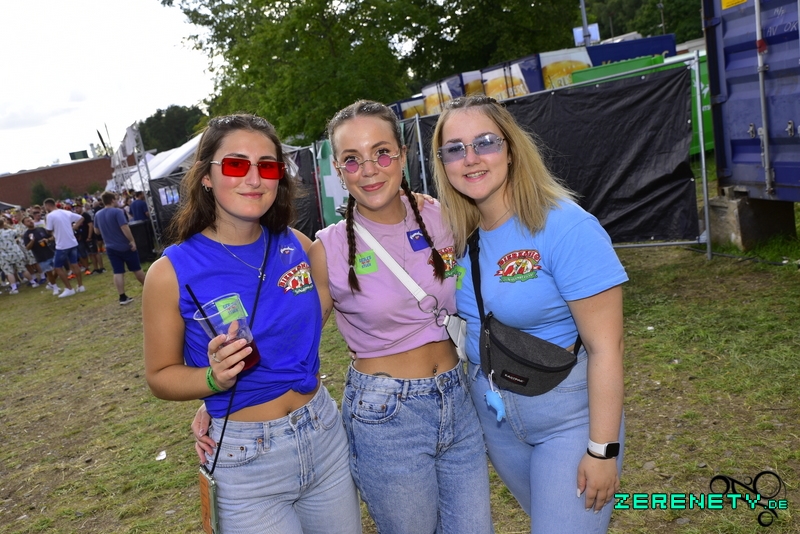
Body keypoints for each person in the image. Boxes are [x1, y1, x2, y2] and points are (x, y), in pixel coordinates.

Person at [143, 114, 361, 534]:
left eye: (267, 165)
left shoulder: (296, 244)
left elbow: (317, 308)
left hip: (324, 435)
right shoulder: (170, 273)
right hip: (246, 462)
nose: (254, 178)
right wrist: (213, 380)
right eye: (236, 164)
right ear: (206, 176)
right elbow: (159, 376)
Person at [430, 95, 627, 533]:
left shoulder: (565, 226)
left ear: (511, 149)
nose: (471, 158)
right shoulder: (455, 236)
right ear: (442, 163)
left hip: (567, 421)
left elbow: (606, 347)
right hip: (496, 423)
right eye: (455, 149)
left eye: (485, 142)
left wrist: (602, 450)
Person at [93, 192, 145, 305]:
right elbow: (124, 227)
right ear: (112, 200)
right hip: (124, 245)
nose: (117, 201)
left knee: (118, 272)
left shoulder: (98, 214)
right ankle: (148, 288)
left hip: (110, 247)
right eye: (116, 199)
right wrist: (132, 240)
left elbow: (96, 231)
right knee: (136, 269)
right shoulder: (117, 212)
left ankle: (122, 297)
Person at [43, 198, 86, 297]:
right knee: (74, 264)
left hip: (62, 245)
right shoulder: (65, 212)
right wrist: (75, 226)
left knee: (57, 267)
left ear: (48, 206)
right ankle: (80, 286)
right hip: (72, 242)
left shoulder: (50, 216)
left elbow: (48, 230)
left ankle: (69, 288)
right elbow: (81, 218)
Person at [22, 216, 60, 294]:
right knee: (49, 273)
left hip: (50, 252)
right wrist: (32, 240)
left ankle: (51, 284)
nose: (30, 221)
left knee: (58, 269)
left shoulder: (41, 229)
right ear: (25, 224)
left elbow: (52, 237)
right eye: (27, 221)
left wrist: (47, 240)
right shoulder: (26, 235)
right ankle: (55, 288)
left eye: (31, 219)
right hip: (40, 256)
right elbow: (27, 248)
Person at [0, 216, 36, 294]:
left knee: (9, 272)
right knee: (23, 269)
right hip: (15, 252)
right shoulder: (10, 231)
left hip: (3, 256)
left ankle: (14, 288)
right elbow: (21, 233)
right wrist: (8, 226)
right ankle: (33, 282)